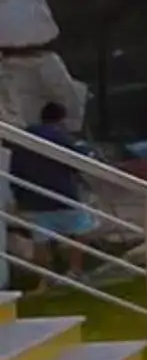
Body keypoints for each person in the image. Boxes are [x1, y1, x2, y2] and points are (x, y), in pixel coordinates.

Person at [9, 100, 96, 279]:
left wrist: (19, 198)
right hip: (61, 194)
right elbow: (78, 159)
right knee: (84, 228)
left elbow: (14, 170)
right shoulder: (60, 137)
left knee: (40, 238)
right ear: (61, 120)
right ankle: (75, 270)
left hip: (34, 198)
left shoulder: (24, 138)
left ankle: (46, 277)